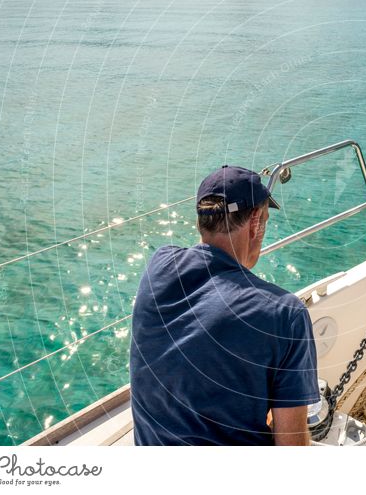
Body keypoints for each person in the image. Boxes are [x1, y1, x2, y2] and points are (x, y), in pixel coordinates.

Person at [130, 165, 319, 445]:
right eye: (265, 220)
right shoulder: (286, 314)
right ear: (255, 221)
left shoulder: (159, 264)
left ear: (200, 222)